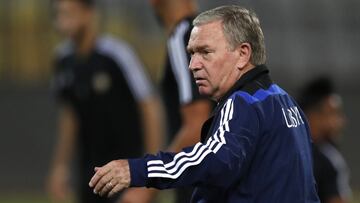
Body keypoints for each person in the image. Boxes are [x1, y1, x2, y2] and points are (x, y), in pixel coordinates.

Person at [88, 5, 320, 203]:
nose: (193, 65)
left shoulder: (243, 103)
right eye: (191, 53)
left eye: (205, 52)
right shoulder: (286, 103)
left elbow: (214, 160)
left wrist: (137, 170)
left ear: (242, 54)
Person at [47, 0, 163, 203]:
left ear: (88, 14)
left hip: (127, 171)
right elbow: (70, 114)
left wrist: (149, 174)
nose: (61, 21)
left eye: (68, 13)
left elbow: (150, 107)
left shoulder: (117, 55)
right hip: (90, 174)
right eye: (58, 14)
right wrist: (60, 166)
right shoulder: (62, 59)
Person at [149, 0, 213, 202]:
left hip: (201, 185)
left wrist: (148, 183)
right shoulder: (212, 33)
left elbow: (196, 125)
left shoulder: (184, 36)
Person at [298, 77, 352, 203]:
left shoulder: (282, 150)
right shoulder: (329, 160)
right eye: (334, 114)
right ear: (313, 117)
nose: (341, 122)